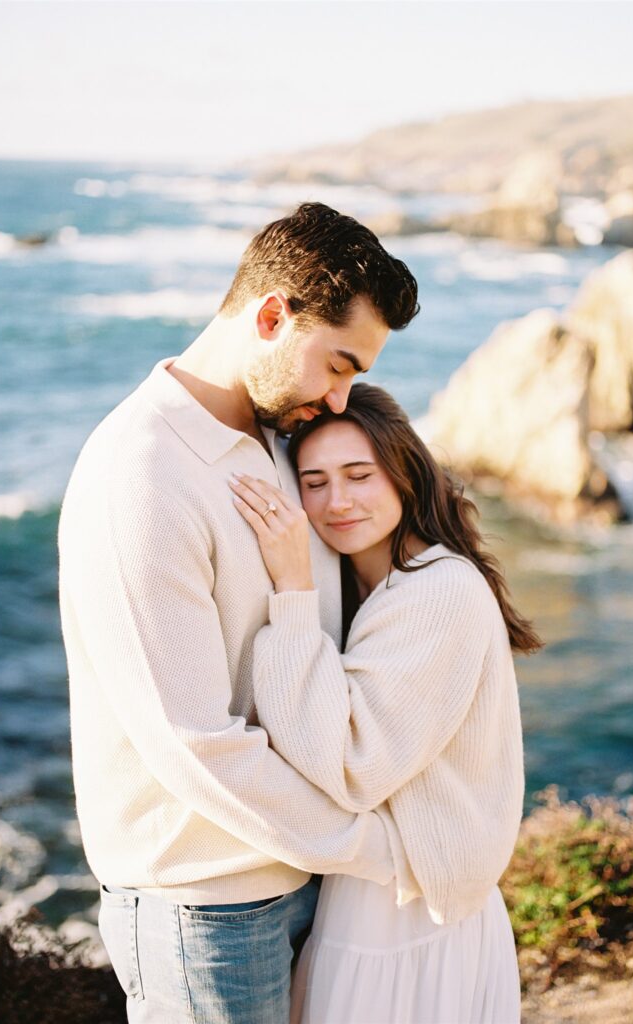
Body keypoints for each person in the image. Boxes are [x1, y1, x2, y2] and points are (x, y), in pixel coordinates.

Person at [57, 203, 420, 1024]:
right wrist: (374, 846)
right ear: (270, 317)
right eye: (336, 365)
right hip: (204, 909)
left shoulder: (283, 444)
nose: (339, 401)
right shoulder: (141, 477)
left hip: (300, 873)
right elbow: (196, 743)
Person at [229, 382, 542, 1024]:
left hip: (407, 917)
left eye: (358, 474)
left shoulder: (436, 592)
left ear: (403, 474)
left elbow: (353, 763)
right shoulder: (373, 591)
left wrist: (292, 585)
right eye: (312, 483)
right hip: (379, 899)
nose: (336, 501)